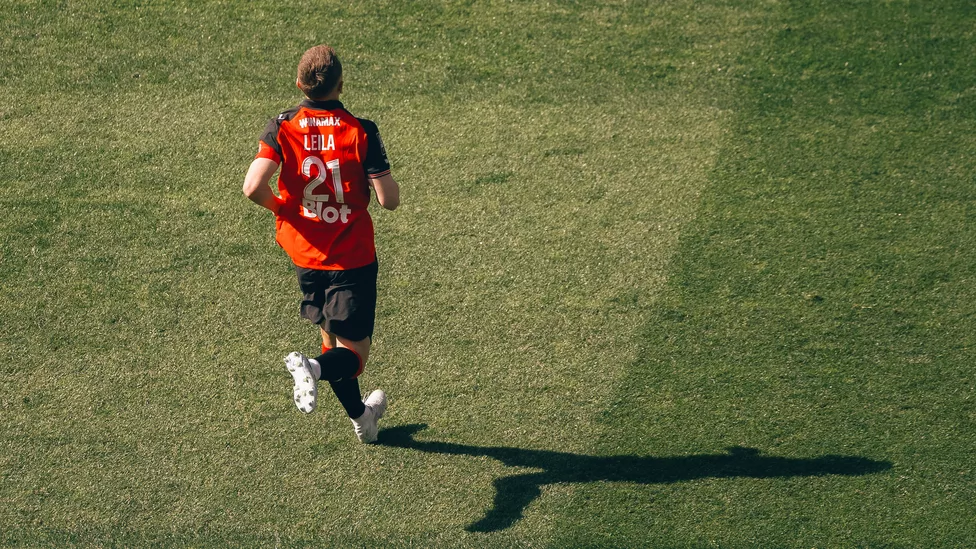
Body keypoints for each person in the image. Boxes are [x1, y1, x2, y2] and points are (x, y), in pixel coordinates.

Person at [242, 44, 400, 443]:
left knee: (332, 343)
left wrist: (285, 210)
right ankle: (311, 368)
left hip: (305, 254)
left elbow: (252, 187)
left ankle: (363, 419)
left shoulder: (282, 124)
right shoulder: (361, 130)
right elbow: (389, 200)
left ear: (299, 84)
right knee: (354, 357)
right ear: (341, 84)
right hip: (351, 257)